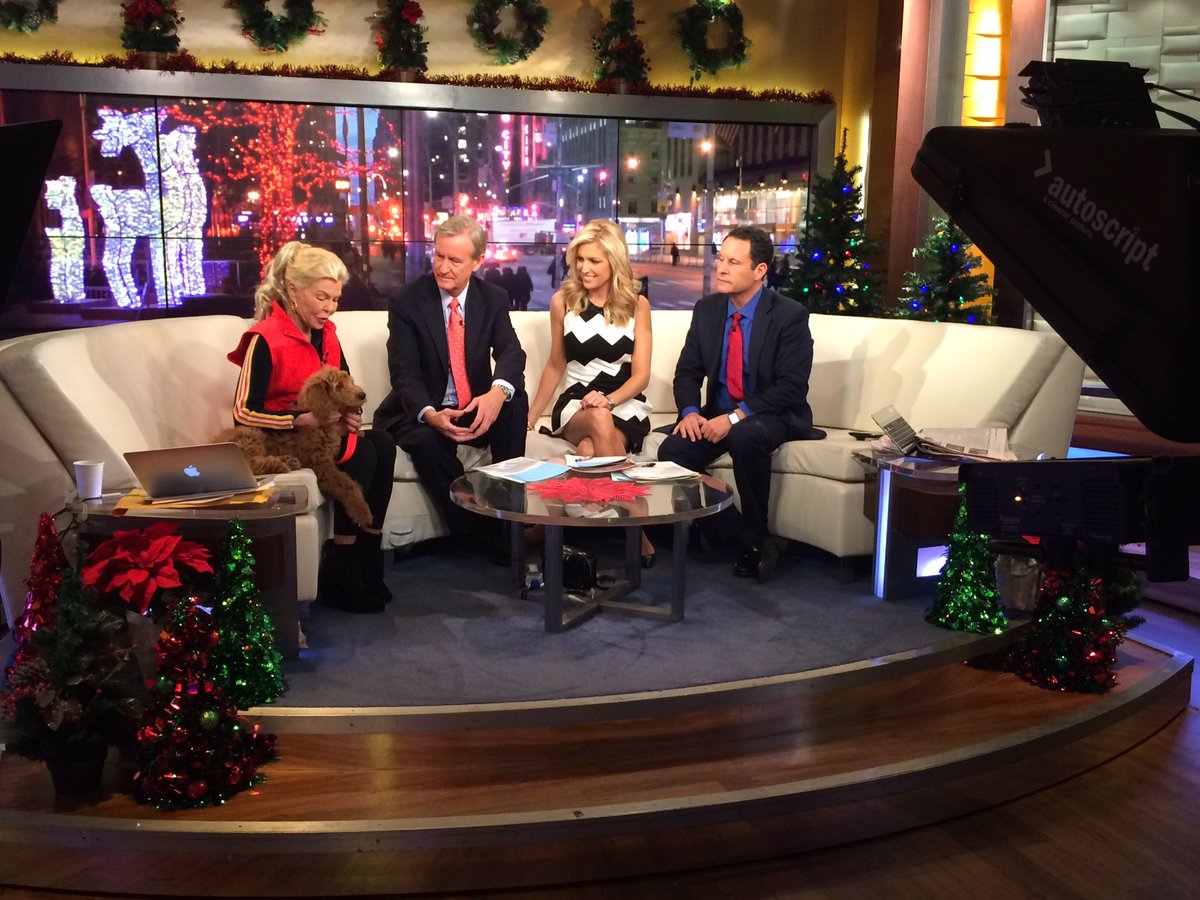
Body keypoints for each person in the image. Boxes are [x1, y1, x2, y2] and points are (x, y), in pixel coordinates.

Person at [227, 241, 397, 614]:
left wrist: (351, 415)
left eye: (335, 299)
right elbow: (242, 410)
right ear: (293, 290)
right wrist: (297, 419)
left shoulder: (328, 333)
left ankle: (369, 558)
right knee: (362, 453)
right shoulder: (265, 338)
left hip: (324, 431)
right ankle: (343, 569)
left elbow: (348, 388)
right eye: (321, 298)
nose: (330, 307)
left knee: (384, 443)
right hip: (285, 439)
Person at [656, 225, 824, 583]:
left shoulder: (789, 315)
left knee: (745, 436)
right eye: (721, 259)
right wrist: (689, 413)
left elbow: (791, 388)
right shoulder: (707, 309)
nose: (721, 268)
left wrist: (735, 417)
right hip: (716, 412)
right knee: (671, 451)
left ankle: (758, 534)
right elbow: (687, 372)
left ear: (759, 270)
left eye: (733, 262)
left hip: (770, 413)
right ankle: (742, 537)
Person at [373, 215, 528, 555]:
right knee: (427, 443)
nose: (443, 267)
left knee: (515, 402)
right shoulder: (407, 301)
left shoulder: (493, 298)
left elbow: (511, 352)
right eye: (439, 256)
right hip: (424, 410)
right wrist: (430, 414)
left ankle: (509, 510)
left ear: (477, 261)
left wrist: (496, 394)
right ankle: (485, 533)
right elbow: (404, 372)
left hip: (473, 405)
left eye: (454, 260)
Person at [526, 219, 656, 566]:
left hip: (625, 402)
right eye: (580, 259)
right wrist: (530, 416)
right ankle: (636, 525)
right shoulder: (563, 302)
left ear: (614, 262)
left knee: (588, 448)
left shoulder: (637, 305)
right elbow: (555, 365)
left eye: (594, 261)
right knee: (597, 418)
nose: (584, 268)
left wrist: (610, 399)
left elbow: (641, 376)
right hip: (576, 404)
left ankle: (551, 525)